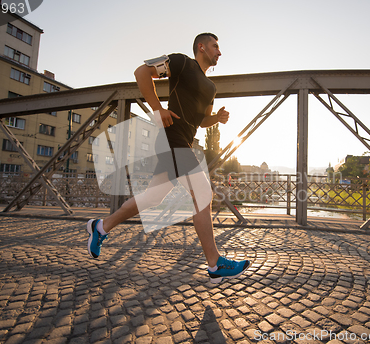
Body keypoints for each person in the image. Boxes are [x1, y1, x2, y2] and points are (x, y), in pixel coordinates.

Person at [86, 33, 251, 284]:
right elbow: (141, 72)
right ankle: (215, 263)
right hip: (170, 138)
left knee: (152, 198)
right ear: (201, 47)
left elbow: (201, 120)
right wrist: (158, 109)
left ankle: (100, 228)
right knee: (203, 194)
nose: (219, 52)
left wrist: (216, 118)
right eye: (215, 46)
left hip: (181, 143)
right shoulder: (181, 63)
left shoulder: (211, 88)